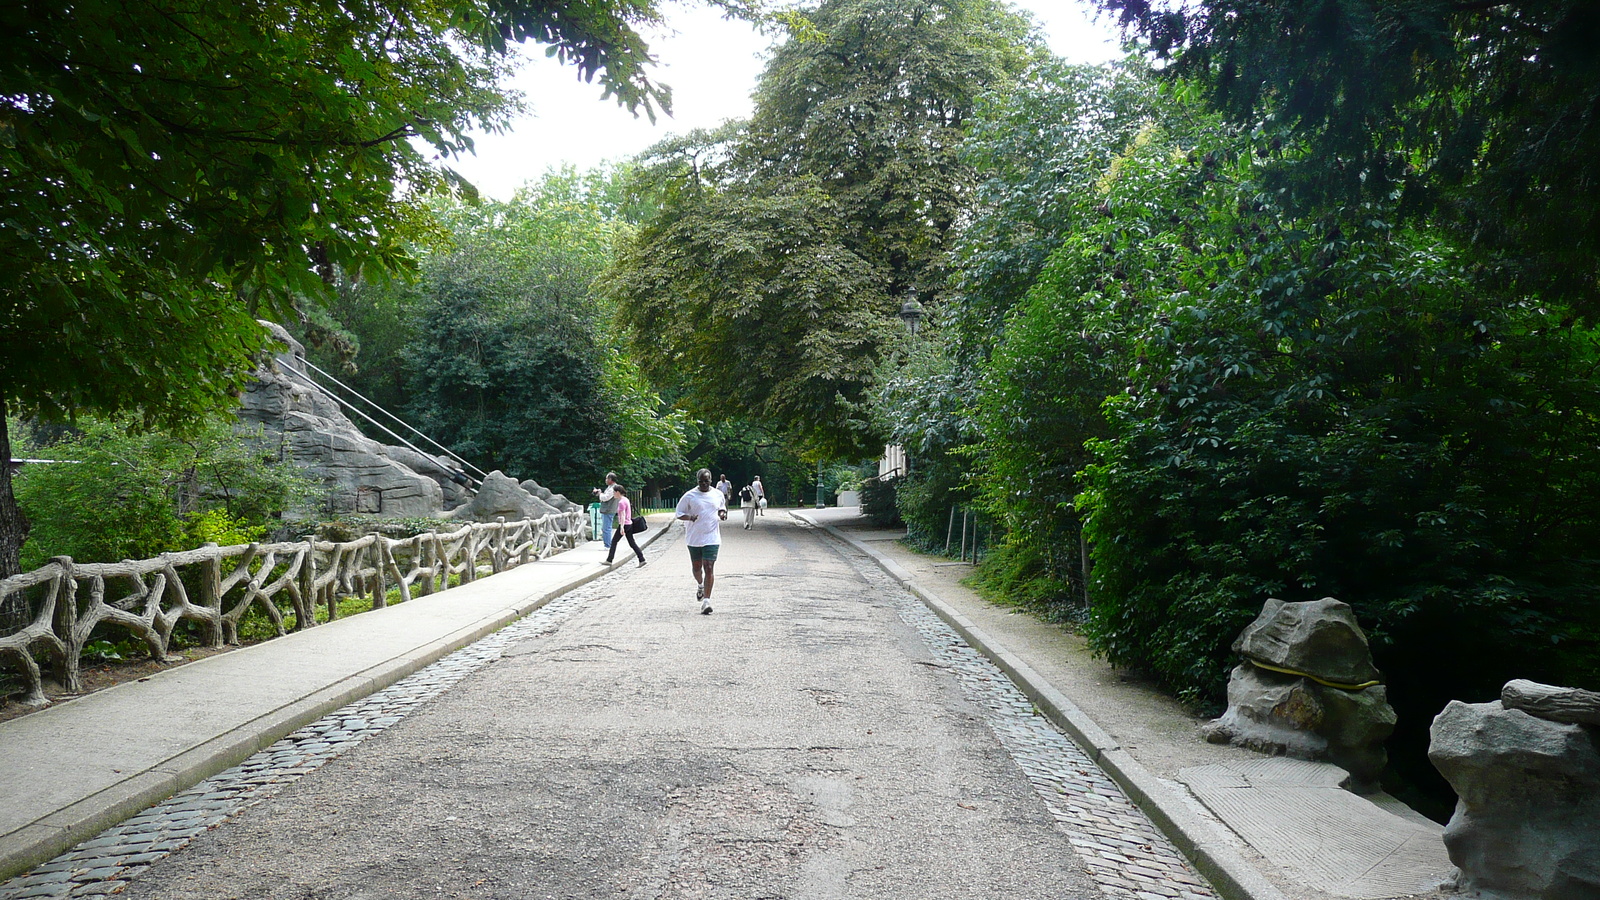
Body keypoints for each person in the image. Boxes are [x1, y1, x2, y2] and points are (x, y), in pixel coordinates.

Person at [676, 468, 728, 615]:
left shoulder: (717, 494)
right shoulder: (689, 496)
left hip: (712, 537)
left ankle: (706, 601)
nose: (704, 484)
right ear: (697, 481)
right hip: (694, 538)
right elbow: (678, 514)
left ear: (711, 480)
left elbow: (721, 507)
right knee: (697, 567)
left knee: (709, 567)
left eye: (706, 481)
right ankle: (700, 584)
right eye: (701, 481)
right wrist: (690, 518)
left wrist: (722, 514)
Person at [603, 486, 647, 567]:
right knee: (632, 543)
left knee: (614, 541)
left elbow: (622, 515)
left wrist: (622, 527)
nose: (613, 494)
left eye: (614, 492)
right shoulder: (626, 500)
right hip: (629, 524)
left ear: (618, 492)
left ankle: (609, 560)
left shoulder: (621, 502)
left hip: (624, 524)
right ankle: (642, 559)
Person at [591, 472, 619, 549]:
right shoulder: (611, 487)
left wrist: (600, 493)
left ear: (610, 479)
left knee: (606, 528)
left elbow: (606, 498)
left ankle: (607, 545)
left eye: (607, 478)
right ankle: (608, 544)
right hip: (608, 509)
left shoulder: (613, 488)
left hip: (608, 510)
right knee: (606, 527)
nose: (606, 480)